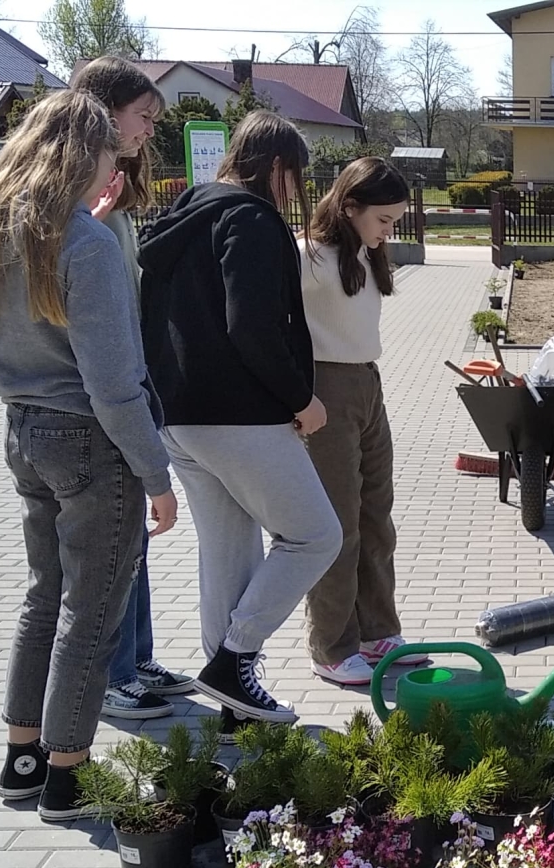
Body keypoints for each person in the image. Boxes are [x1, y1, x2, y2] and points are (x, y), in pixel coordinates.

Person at [0, 89, 178, 821]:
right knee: (92, 614)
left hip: (24, 429)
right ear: (85, 154)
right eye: (112, 149)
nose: (119, 162)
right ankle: (69, 779)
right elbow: (114, 385)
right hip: (91, 441)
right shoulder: (84, 244)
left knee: (44, 598)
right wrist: (156, 474)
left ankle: (24, 759)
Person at [139, 110, 342, 723]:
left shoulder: (182, 216)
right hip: (241, 417)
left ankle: (232, 702)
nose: (295, 192)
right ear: (277, 168)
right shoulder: (250, 219)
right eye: (295, 178)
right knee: (314, 536)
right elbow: (251, 327)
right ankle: (233, 660)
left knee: (227, 551)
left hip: (177, 417)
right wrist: (301, 400)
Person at [71, 55, 196, 721]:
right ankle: (113, 677)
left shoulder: (110, 196)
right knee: (116, 545)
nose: (150, 129)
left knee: (136, 544)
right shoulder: (75, 203)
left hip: (133, 381)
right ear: (103, 111)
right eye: (143, 116)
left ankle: (138, 657)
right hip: (103, 396)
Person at [297, 157, 429, 685]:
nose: (389, 232)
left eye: (396, 221)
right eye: (384, 220)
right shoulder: (309, 257)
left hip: (368, 385)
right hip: (325, 390)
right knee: (339, 523)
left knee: (377, 515)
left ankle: (377, 633)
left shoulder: (364, 254)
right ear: (349, 205)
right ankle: (331, 646)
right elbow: (267, 322)